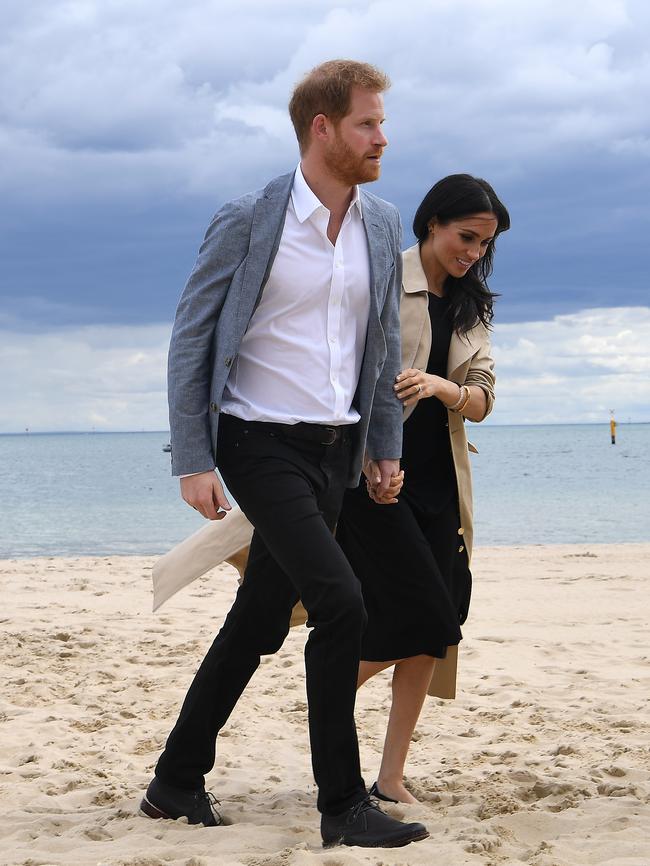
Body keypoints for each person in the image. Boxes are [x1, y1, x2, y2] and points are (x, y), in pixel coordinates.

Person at [141, 59, 428, 849]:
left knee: (259, 618)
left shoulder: (381, 222)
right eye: (368, 123)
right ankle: (342, 804)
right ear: (322, 128)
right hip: (256, 441)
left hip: (335, 450)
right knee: (341, 602)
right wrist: (192, 457)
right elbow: (192, 335)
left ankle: (174, 780)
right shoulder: (250, 216)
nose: (382, 137)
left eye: (382, 122)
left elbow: (378, 346)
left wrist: (381, 443)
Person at [336, 173, 510, 803]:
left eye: (484, 244)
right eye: (466, 237)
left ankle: (389, 776)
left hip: (443, 487)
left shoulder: (471, 305)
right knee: (423, 616)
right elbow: (344, 373)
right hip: (379, 480)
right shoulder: (384, 278)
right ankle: (329, 682)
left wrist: (444, 388)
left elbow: (485, 397)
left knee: (434, 629)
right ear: (432, 223)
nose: (474, 253)